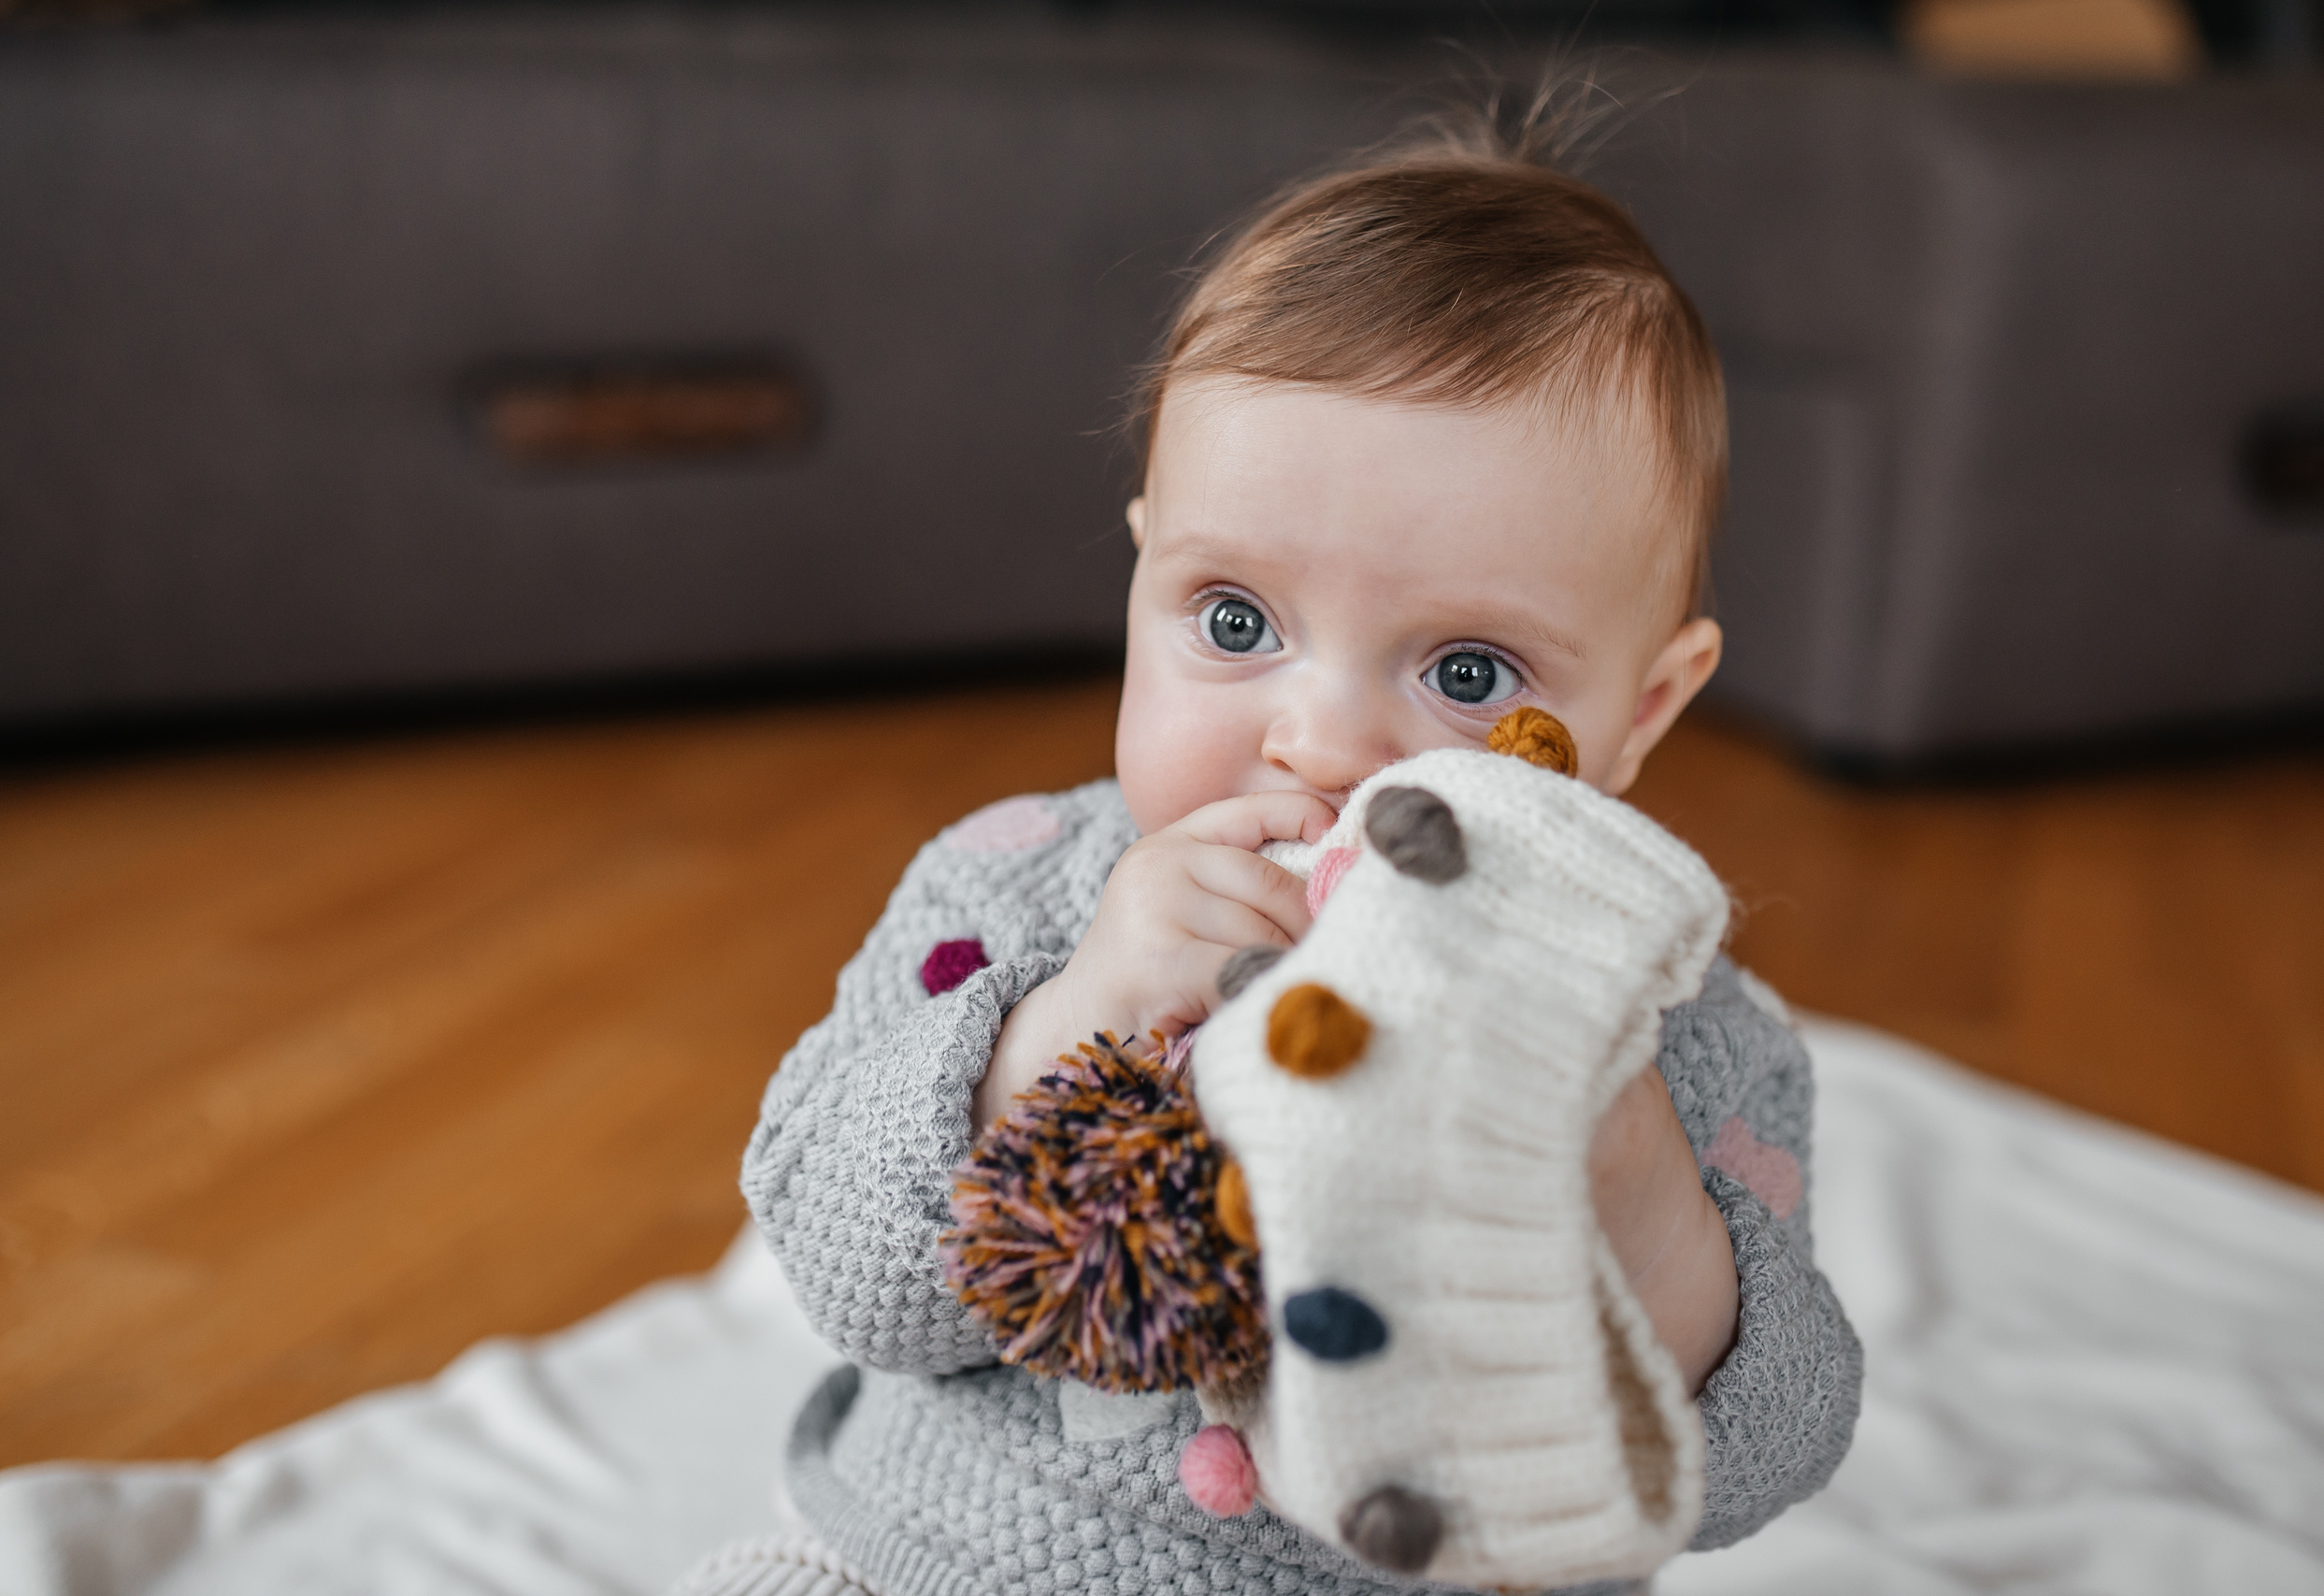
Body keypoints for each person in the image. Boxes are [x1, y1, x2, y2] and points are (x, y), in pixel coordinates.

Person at [692, 124, 1861, 1596]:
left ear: (1642, 712)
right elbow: (838, 1267)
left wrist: (1630, 1184)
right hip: (928, 1559)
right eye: (1236, 622)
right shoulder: (1011, 886)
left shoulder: (1681, 1041)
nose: (1321, 744)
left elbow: (1751, 1464)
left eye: (1470, 672)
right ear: (1142, 571)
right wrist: (1068, 1023)